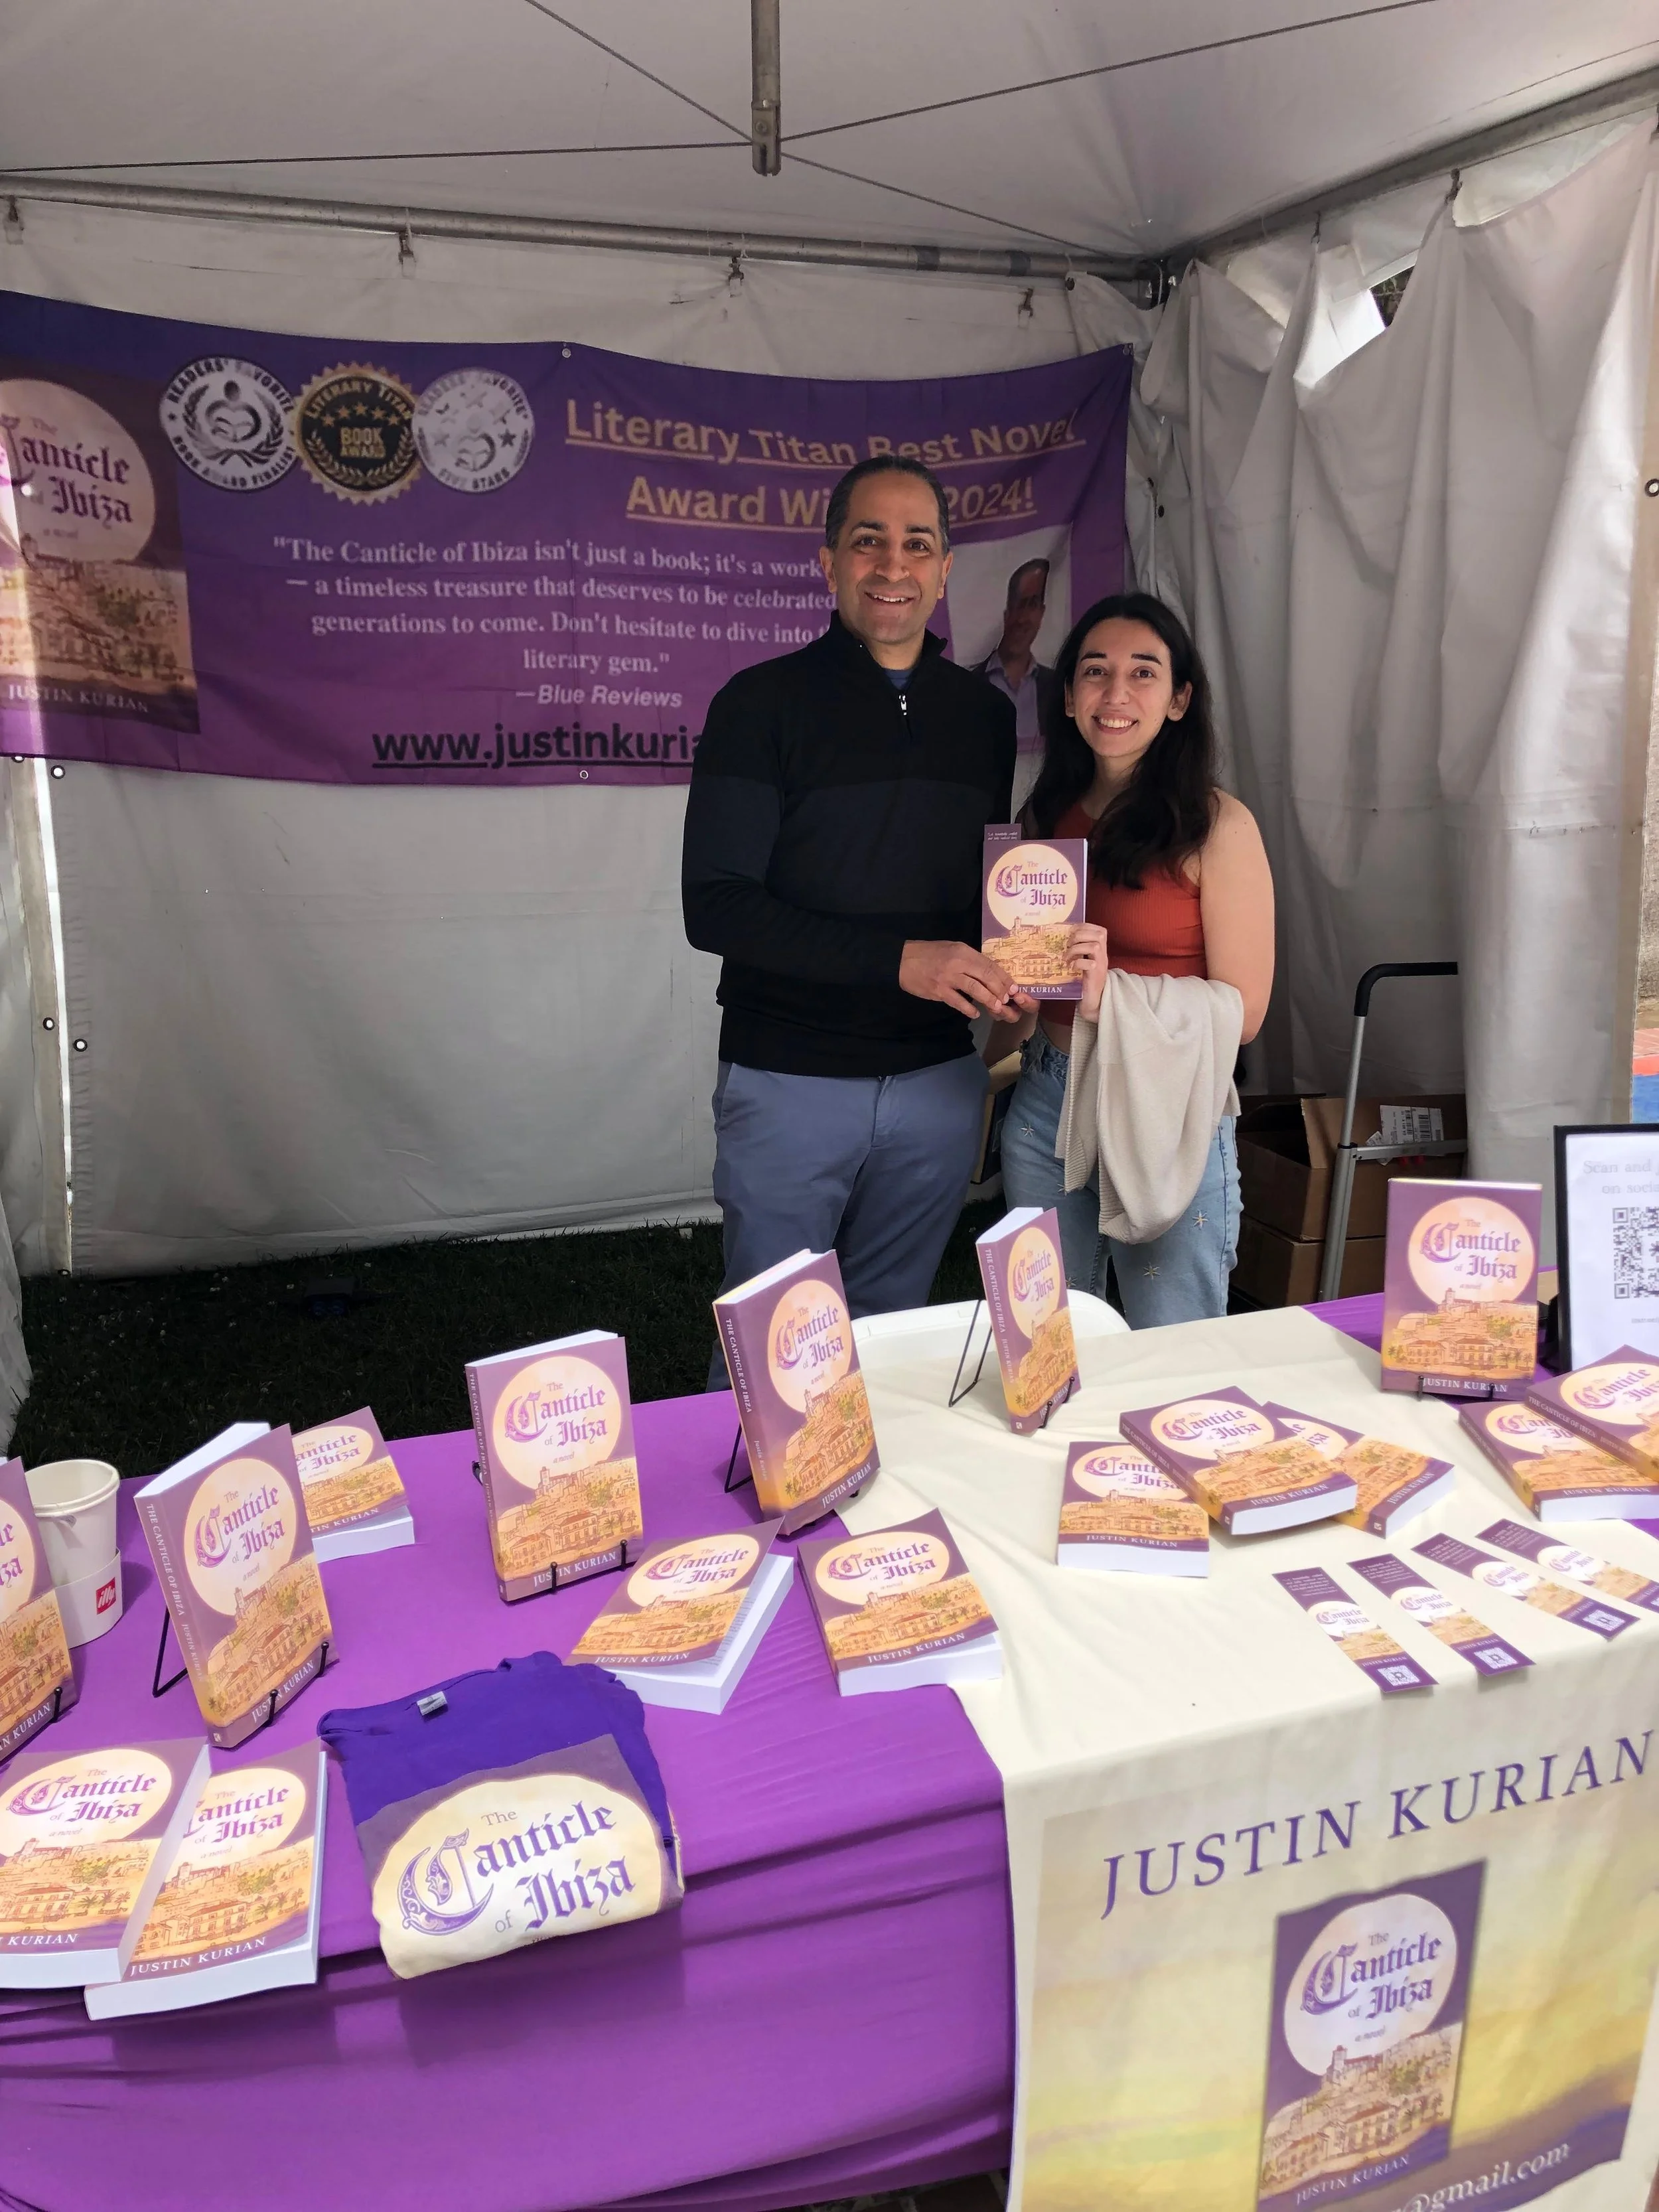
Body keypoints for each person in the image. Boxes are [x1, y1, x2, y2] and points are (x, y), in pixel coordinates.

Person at [683, 455, 1028, 1366]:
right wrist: (900, 960)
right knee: (774, 1350)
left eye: (917, 544)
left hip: (937, 1082)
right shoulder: (759, 704)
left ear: (944, 570)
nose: (892, 564)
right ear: (829, 560)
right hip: (789, 1076)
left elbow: (977, 895)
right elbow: (716, 908)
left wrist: (1021, 962)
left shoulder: (984, 718)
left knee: (887, 1344)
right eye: (868, 540)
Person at [994, 591, 1274, 1325]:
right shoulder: (1042, 818)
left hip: (1168, 1106)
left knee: (1172, 1344)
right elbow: (1026, 993)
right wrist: (1005, 1001)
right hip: (1047, 1098)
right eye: (1095, 671)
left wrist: (1106, 995)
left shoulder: (1218, 825)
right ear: (1068, 696)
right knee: (1046, 1342)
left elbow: (1245, 1011)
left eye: (1144, 672)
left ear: (1180, 699)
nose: (1115, 693)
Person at [975, 557, 1059, 816]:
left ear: (1042, 613)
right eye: (1018, 605)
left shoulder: (1057, 688)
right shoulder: (968, 687)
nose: (1023, 618)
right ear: (1006, 613)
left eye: (1031, 604)